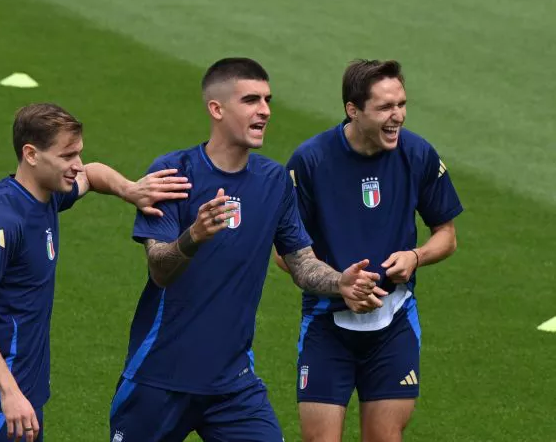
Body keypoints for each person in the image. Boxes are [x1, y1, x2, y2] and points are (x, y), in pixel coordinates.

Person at [109, 57, 384, 442]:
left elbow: (302, 264)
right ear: (217, 109)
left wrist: (341, 283)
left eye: (267, 99)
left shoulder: (274, 181)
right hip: (159, 375)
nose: (265, 111)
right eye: (251, 100)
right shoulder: (174, 172)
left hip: (232, 384)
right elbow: (160, 268)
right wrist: (194, 236)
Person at [0, 103, 192, 442]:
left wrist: (129, 190)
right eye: (67, 156)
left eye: (77, 152)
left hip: (22, 393)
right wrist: (9, 393)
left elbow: (90, 175)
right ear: (31, 154)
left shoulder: (43, 196)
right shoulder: (4, 220)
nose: (76, 164)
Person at [274, 59, 463, 442]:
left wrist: (416, 256)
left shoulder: (418, 153)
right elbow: (283, 252)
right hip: (327, 325)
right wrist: (338, 283)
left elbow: (447, 235)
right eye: (385, 108)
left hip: (393, 323)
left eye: (401, 104)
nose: (398, 117)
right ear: (353, 110)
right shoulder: (310, 161)